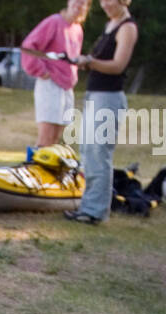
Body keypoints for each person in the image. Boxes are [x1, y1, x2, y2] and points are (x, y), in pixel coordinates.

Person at [65, 0, 139, 224]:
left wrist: (90, 62)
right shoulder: (110, 24)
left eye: (110, 0)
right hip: (95, 96)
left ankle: (95, 212)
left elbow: (118, 65)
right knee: (88, 153)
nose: (105, 4)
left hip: (108, 98)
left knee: (99, 155)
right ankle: (88, 207)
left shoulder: (127, 27)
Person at [21, 1, 91, 149]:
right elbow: (28, 47)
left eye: (84, 3)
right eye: (76, 1)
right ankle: (34, 168)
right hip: (50, 84)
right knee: (46, 137)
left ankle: (50, 170)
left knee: (56, 138)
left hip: (67, 87)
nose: (79, 6)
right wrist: (41, 71)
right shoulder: (54, 22)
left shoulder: (78, 30)